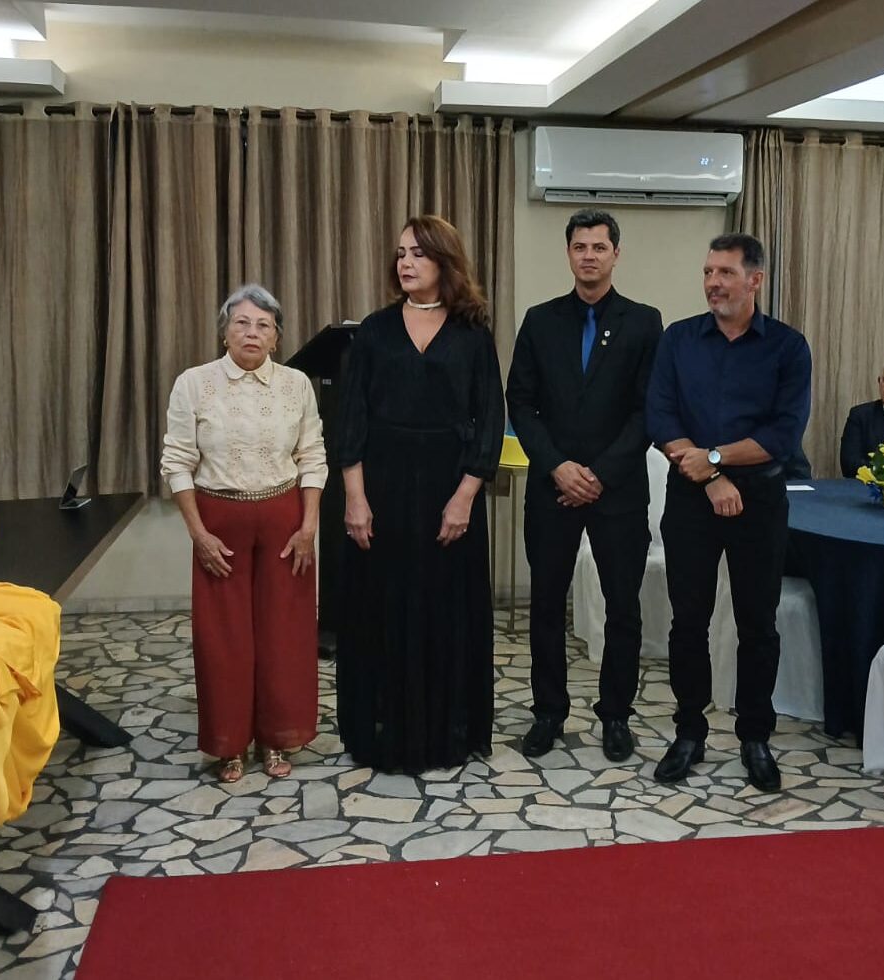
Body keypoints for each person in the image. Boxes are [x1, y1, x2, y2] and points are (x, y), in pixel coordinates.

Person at [333, 215, 504, 773]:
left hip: (450, 487)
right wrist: (355, 498)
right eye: (401, 253)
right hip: (382, 488)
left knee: (444, 613)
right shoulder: (374, 331)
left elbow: (489, 422)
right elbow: (351, 420)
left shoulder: (473, 334)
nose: (405, 262)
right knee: (381, 609)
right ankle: (382, 729)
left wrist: (465, 497)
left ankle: (446, 728)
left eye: (419, 254)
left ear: (445, 262)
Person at [646, 232, 811, 790]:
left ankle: (755, 736)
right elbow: (660, 416)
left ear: (755, 280)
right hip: (690, 500)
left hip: (760, 501)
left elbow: (784, 434)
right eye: (708, 272)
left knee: (757, 624)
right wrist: (712, 476)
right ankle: (689, 731)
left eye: (725, 273)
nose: (713, 283)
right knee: (687, 622)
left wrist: (714, 457)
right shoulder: (678, 339)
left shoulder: (788, 348)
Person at [506, 209, 663, 762]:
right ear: (568, 253)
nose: (589, 255)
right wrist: (558, 467)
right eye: (580, 246)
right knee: (547, 605)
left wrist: (599, 473)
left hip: (617, 490)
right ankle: (548, 711)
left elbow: (648, 409)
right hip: (553, 486)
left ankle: (615, 714)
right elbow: (520, 402)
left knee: (623, 608)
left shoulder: (644, 322)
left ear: (616, 254)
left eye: (599, 247)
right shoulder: (540, 320)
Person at [161, 284, 327, 783]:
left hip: (285, 521)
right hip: (218, 522)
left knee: (285, 634)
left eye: (263, 325)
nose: (252, 333)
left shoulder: (297, 385)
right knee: (223, 637)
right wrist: (198, 534)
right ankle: (230, 744)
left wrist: (309, 525)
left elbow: (312, 455)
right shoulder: (194, 384)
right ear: (224, 332)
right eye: (241, 323)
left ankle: (278, 737)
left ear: (276, 337)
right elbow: (177, 462)